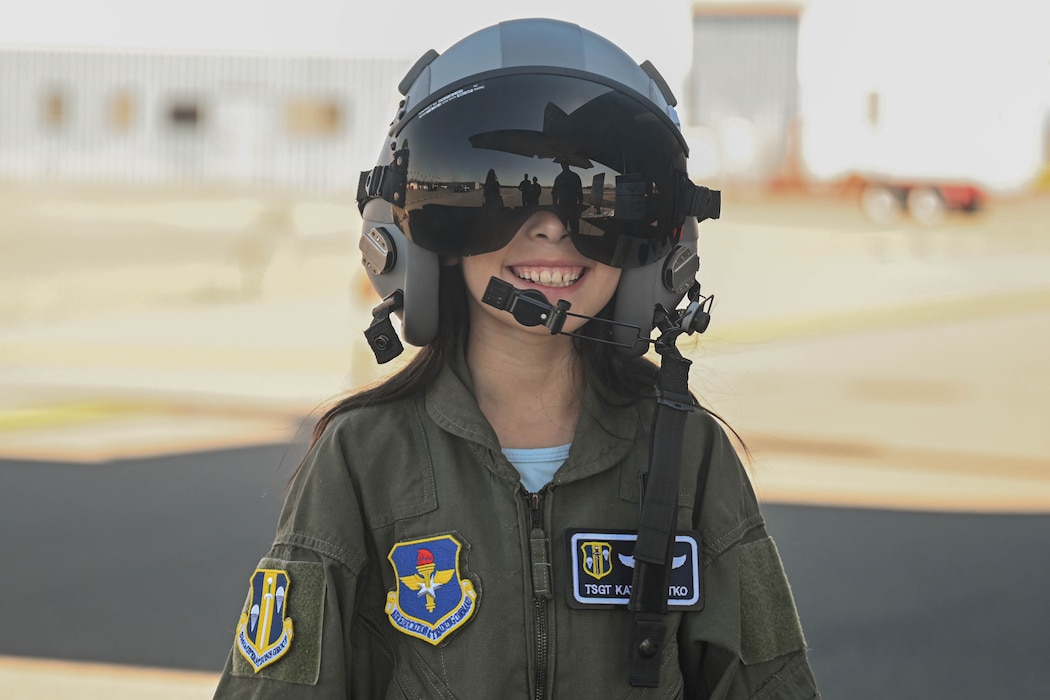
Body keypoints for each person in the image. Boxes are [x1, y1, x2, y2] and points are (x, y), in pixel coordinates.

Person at [213, 18, 819, 699]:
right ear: (416, 231)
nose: (552, 229)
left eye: (596, 202)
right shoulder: (363, 458)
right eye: (505, 198)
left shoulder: (687, 456)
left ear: (662, 247)